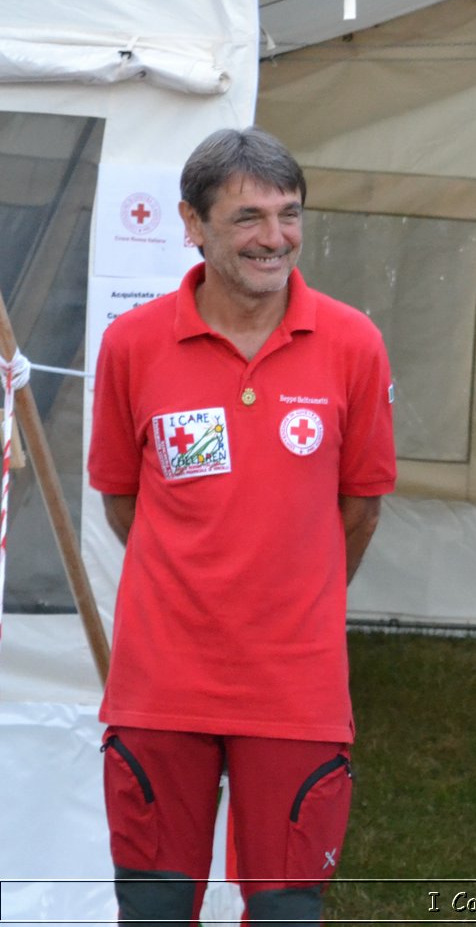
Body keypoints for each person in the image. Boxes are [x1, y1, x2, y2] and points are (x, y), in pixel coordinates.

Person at [88, 128, 396, 924]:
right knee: (153, 912)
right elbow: (125, 499)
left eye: (289, 214)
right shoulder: (132, 344)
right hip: (160, 688)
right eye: (248, 217)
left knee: (289, 913)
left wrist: (293, 587)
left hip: (295, 688)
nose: (274, 238)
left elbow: (359, 508)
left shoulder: (353, 345)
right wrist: (193, 575)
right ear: (191, 223)